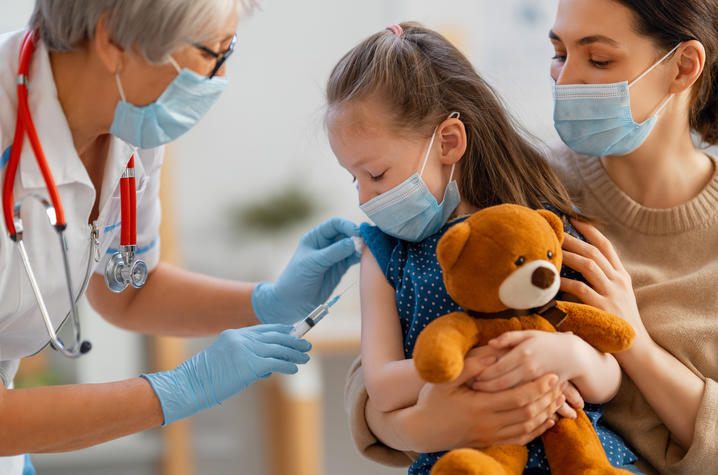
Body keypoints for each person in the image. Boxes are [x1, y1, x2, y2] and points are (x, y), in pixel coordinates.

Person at [344, 1, 718, 474]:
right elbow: (388, 358)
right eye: (559, 54)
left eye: (598, 59)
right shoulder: (519, 185)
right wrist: (425, 428)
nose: (565, 78)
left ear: (683, 66)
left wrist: (634, 343)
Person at [0, 1, 360, 474]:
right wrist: (174, 391)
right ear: (113, 43)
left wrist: (268, 303)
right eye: (212, 52)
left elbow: (127, 290)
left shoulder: (131, 119)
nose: (220, 75)